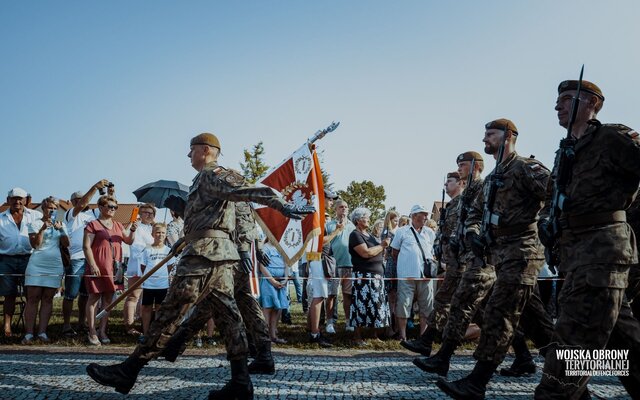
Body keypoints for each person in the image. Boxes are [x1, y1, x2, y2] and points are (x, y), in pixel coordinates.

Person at [86, 132, 313, 398]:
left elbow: (247, 188)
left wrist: (281, 205)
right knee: (230, 320)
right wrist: (186, 230)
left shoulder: (212, 173)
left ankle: (129, 370)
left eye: (191, 150)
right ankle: (240, 382)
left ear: (205, 150)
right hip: (214, 257)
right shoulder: (203, 179)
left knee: (170, 311)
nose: (188, 155)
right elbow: (209, 220)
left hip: (204, 259)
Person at [534, 80, 640, 399]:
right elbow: (551, 199)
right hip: (577, 259)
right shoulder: (564, 152)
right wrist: (546, 225)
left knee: (572, 353)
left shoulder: (612, 136)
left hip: (604, 255)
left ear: (592, 103)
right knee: (625, 348)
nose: (558, 106)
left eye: (567, 99)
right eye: (557, 100)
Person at [436, 118, 555, 399]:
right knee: (537, 322)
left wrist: (545, 223)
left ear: (509, 136)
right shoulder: (492, 178)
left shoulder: (526, 167)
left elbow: (554, 191)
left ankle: (477, 382)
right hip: (500, 254)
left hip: (524, 252)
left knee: (498, 314)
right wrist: (474, 233)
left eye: (490, 134)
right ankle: (570, 380)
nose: (485, 139)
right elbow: (476, 213)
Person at [412, 151, 494, 377]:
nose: (459, 169)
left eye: (463, 165)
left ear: (476, 166)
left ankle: (441, 354)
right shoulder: (467, 195)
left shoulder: (482, 188)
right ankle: (436, 350)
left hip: (477, 260)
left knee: (465, 306)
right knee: (479, 310)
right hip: (462, 259)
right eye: (457, 165)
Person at [402, 171, 464, 356]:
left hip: (464, 263)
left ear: (460, 183)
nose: (446, 185)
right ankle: (429, 344)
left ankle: (432, 346)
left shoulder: (466, 202)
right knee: (445, 303)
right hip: (452, 264)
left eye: (450, 182)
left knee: (470, 307)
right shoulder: (451, 205)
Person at [83, 195, 137, 346]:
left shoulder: (118, 225)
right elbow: (86, 246)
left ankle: (103, 330)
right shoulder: (93, 225)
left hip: (115, 267)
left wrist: (132, 230)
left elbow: (129, 241)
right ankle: (92, 331)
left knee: (108, 300)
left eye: (115, 207)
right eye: (110, 206)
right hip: (98, 265)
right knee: (94, 298)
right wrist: (92, 265)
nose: (113, 209)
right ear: (100, 208)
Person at [61, 180, 110, 337]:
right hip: (76, 258)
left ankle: (82, 323)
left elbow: (108, 206)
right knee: (70, 294)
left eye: (83, 198)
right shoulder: (71, 214)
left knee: (86, 295)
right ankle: (66, 325)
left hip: (92, 259)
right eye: (77, 200)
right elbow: (82, 204)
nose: (82, 201)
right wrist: (95, 187)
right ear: (72, 202)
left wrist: (109, 191)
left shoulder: (94, 214)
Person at [22, 196, 69, 344]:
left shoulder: (61, 224)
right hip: (37, 263)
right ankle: (29, 334)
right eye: (50, 208)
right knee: (33, 298)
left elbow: (66, 244)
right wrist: (42, 228)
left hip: (54, 264)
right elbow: (35, 245)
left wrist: (61, 230)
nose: (53, 211)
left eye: (55, 209)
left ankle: (42, 332)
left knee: (48, 299)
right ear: (43, 208)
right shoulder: (34, 223)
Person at [0, 187, 42, 337]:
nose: (17, 201)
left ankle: (29, 328)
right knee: (9, 294)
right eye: (14, 198)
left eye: (20, 199)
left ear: (26, 201)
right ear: (8, 200)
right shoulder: (1, 218)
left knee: (31, 294)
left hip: (30, 259)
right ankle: (7, 326)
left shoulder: (36, 215)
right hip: (6, 259)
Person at [390, 205, 436, 341]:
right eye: (423, 214)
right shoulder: (402, 231)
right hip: (406, 275)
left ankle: (423, 337)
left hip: (426, 276)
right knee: (404, 305)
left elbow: (431, 252)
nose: (426, 217)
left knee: (426, 307)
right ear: (414, 216)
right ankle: (402, 335)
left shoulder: (429, 232)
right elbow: (394, 252)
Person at [348, 207, 391, 345]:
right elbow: (365, 253)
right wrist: (383, 245)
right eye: (365, 217)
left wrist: (381, 247)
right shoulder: (355, 235)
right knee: (360, 305)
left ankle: (374, 334)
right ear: (358, 220)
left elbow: (376, 251)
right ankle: (357, 337)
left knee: (375, 305)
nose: (368, 219)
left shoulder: (370, 236)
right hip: (363, 276)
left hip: (377, 276)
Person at [123, 203, 155, 336]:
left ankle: (144, 323)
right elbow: (129, 239)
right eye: (146, 212)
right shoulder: (136, 226)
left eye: (151, 213)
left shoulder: (151, 228)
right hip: (138, 262)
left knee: (146, 297)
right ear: (140, 214)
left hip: (151, 264)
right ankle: (129, 326)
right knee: (133, 295)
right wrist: (132, 224)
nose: (149, 215)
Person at [324, 199, 355, 334]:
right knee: (331, 295)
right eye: (341, 207)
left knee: (347, 295)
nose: (344, 209)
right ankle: (330, 323)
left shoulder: (353, 226)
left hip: (349, 265)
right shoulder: (329, 225)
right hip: (333, 265)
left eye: (346, 207)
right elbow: (324, 243)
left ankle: (348, 322)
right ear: (335, 209)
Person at [138, 223, 174, 339]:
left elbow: (169, 267)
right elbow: (143, 267)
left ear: (166, 235)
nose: (160, 235)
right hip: (149, 285)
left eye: (163, 233)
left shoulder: (168, 250)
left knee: (160, 308)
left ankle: (157, 333)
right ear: (153, 234)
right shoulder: (147, 250)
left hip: (162, 285)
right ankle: (146, 332)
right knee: (146, 308)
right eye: (158, 232)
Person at [258, 239, 289, 344]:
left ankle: (273, 336)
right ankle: (265, 336)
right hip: (269, 283)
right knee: (267, 309)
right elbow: (262, 266)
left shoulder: (282, 248)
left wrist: (285, 279)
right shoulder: (265, 247)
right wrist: (272, 281)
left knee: (277, 309)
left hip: (280, 283)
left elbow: (286, 264)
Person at [381, 210, 399, 337]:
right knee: (391, 297)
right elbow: (389, 251)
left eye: (397, 219)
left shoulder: (398, 231)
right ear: (389, 220)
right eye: (394, 219)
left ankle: (397, 327)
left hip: (399, 264)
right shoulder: (387, 233)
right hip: (392, 265)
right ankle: (390, 328)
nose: (397, 221)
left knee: (397, 297)